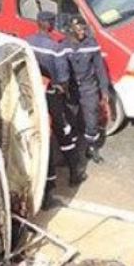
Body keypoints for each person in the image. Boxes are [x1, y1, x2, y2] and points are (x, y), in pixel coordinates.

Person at [26, 12, 86, 201]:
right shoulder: (55, 48)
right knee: (63, 132)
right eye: (52, 22)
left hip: (32, 94)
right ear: (48, 24)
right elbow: (63, 78)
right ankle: (74, 172)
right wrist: (63, 91)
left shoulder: (26, 42)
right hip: (51, 95)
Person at [60, 16, 110, 164]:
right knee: (71, 119)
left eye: (84, 28)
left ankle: (92, 148)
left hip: (89, 89)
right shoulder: (63, 46)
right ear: (71, 30)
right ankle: (73, 151)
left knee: (92, 119)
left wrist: (104, 91)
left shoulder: (91, 44)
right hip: (72, 90)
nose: (82, 31)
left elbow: (100, 70)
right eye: (79, 28)